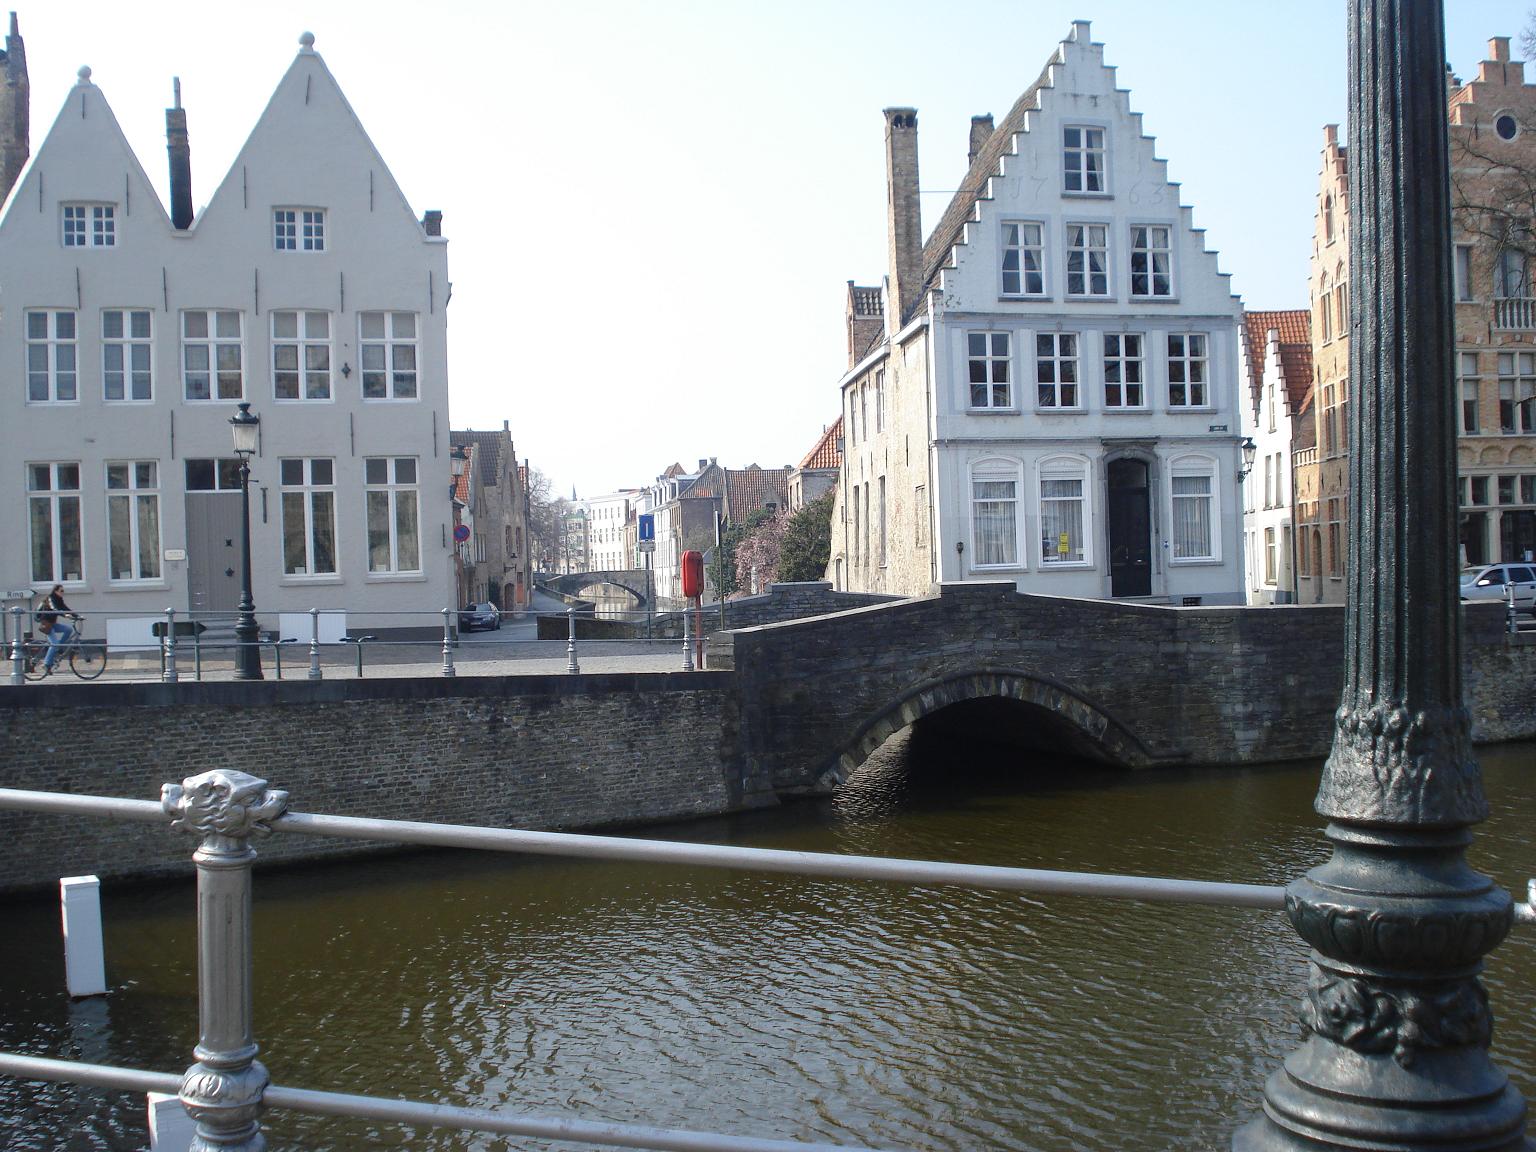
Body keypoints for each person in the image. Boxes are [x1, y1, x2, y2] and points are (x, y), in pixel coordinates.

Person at [36, 584, 75, 675]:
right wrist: (65, 615)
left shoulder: (59, 600)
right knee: (54, 643)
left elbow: (66, 608)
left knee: (68, 629)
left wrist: (77, 616)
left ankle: (58, 648)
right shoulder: (50, 599)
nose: (63, 593)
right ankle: (46, 664)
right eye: (61, 591)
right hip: (46, 624)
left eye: (63, 591)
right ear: (55, 591)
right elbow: (54, 609)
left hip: (53, 624)